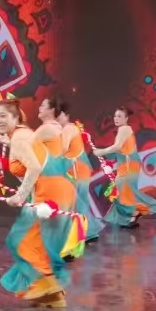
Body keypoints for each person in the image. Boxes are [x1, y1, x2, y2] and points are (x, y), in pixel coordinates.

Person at [0, 98, 74, 308]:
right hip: (56, 188)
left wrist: (20, 196)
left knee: (21, 240)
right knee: (40, 244)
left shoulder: (42, 130)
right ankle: (52, 297)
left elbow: (32, 162)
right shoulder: (47, 131)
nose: (39, 108)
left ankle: (47, 285)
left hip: (49, 190)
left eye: (43, 105)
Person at [43, 99, 104, 246]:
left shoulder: (69, 129)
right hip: (76, 171)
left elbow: (62, 149)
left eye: (60, 115)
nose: (57, 119)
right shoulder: (67, 129)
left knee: (78, 203)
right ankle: (87, 233)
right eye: (56, 116)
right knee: (79, 202)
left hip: (77, 172)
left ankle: (87, 233)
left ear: (66, 115)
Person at [96, 107, 156, 229]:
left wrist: (101, 151)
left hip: (128, 166)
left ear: (126, 118)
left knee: (122, 189)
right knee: (126, 191)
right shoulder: (124, 130)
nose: (116, 118)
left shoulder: (124, 129)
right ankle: (131, 216)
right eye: (115, 116)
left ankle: (137, 212)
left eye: (119, 116)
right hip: (127, 165)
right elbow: (120, 150)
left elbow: (117, 147)